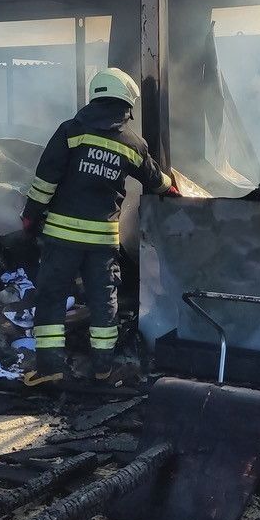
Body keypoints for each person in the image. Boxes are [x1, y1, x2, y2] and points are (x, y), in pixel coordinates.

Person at [20, 67, 178, 386]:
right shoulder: (132, 143)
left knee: (51, 298)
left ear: (95, 97)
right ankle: (103, 369)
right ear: (125, 105)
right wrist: (173, 189)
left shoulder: (70, 131)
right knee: (104, 302)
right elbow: (155, 179)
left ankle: (50, 368)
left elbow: (45, 180)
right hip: (103, 241)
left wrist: (30, 216)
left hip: (62, 238)